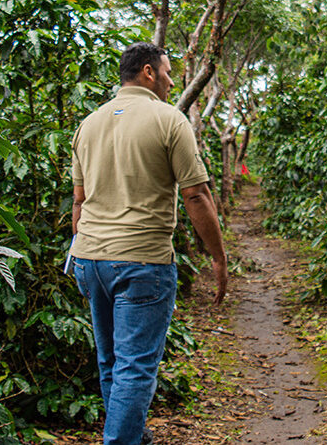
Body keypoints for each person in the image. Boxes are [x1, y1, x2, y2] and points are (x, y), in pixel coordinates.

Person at [69, 42, 228, 445]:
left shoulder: (89, 124)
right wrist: (219, 259)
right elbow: (196, 195)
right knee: (136, 367)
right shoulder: (169, 120)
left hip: (90, 258)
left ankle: (132, 436)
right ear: (148, 72)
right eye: (168, 71)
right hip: (142, 262)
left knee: (111, 362)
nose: (173, 80)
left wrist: (85, 249)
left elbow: (79, 202)